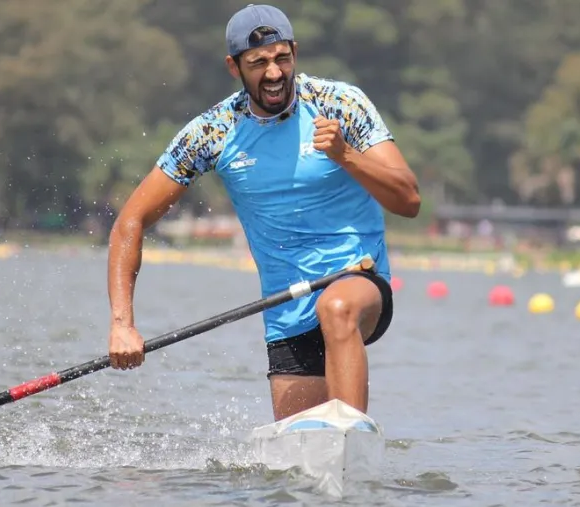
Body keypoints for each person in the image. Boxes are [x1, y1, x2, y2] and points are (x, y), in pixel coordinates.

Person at [105, 4, 420, 421]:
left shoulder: (340, 104)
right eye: (258, 63)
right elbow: (131, 220)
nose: (274, 73)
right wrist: (122, 324)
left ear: (295, 52)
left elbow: (409, 200)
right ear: (234, 67)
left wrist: (346, 155)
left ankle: (352, 439)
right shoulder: (214, 132)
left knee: (336, 308)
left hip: (357, 282)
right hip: (286, 310)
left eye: (282, 58)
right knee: (296, 466)